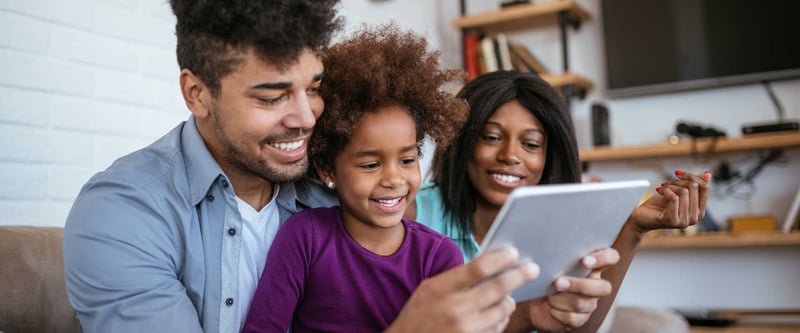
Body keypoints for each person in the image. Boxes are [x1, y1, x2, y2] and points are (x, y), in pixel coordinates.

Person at [63, 1, 539, 332]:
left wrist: (535, 313)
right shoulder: (123, 214)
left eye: (313, 87)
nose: (307, 117)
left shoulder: (331, 197)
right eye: (272, 96)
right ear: (197, 94)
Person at [410, 70, 711, 332]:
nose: (510, 156)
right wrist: (530, 314)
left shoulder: (566, 218)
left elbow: (576, 328)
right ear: (463, 142)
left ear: (549, 156)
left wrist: (633, 228)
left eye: (530, 144)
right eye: (490, 137)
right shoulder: (412, 215)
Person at [242, 26, 478, 332]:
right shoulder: (305, 238)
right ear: (327, 170)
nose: (394, 178)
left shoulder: (439, 255)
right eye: (370, 164)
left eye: (407, 160)